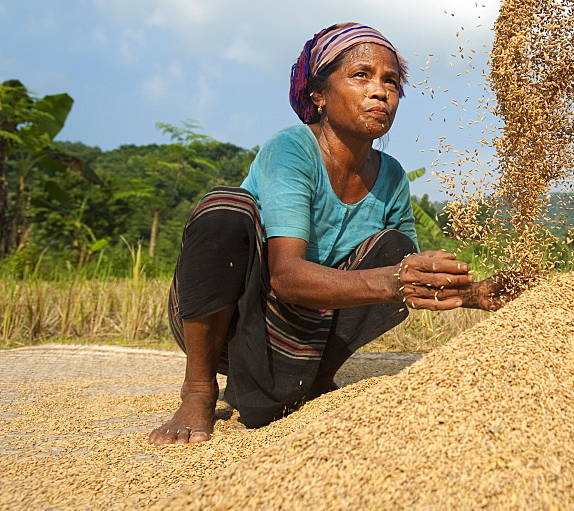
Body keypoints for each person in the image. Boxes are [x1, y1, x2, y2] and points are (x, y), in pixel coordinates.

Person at [149, 22, 513, 444]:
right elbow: (285, 276)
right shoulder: (291, 149)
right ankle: (198, 389)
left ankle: (312, 375)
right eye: (361, 75)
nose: (380, 91)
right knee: (225, 208)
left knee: (396, 249)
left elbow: (405, 274)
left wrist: (475, 294)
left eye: (390, 81)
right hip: (234, 318)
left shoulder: (392, 176)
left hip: (303, 326)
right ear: (318, 95)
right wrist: (393, 279)